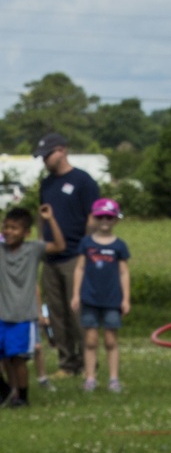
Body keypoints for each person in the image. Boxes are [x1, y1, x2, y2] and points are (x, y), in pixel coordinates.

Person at [35, 133, 100, 377]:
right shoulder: (46, 184)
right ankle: (66, 363)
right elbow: (41, 215)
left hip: (75, 256)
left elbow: (92, 217)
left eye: (47, 155)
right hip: (50, 257)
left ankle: (87, 362)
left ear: (61, 151)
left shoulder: (83, 181)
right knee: (56, 312)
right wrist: (41, 243)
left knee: (77, 311)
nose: (43, 161)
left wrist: (86, 249)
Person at [0, 203, 66, 408]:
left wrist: (50, 220)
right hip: (2, 314)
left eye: (14, 228)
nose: (9, 232)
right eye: (6, 227)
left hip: (22, 317)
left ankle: (22, 397)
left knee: (18, 360)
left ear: (26, 232)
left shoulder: (33, 249)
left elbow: (59, 246)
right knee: (5, 359)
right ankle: (7, 391)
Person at [70, 198, 131, 392]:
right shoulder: (86, 244)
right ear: (94, 218)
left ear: (115, 220)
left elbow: (124, 272)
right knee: (90, 340)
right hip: (90, 298)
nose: (105, 220)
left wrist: (126, 298)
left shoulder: (119, 246)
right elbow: (79, 269)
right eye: (101, 216)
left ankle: (113, 379)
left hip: (112, 300)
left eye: (109, 217)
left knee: (111, 340)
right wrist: (75, 295)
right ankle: (90, 378)